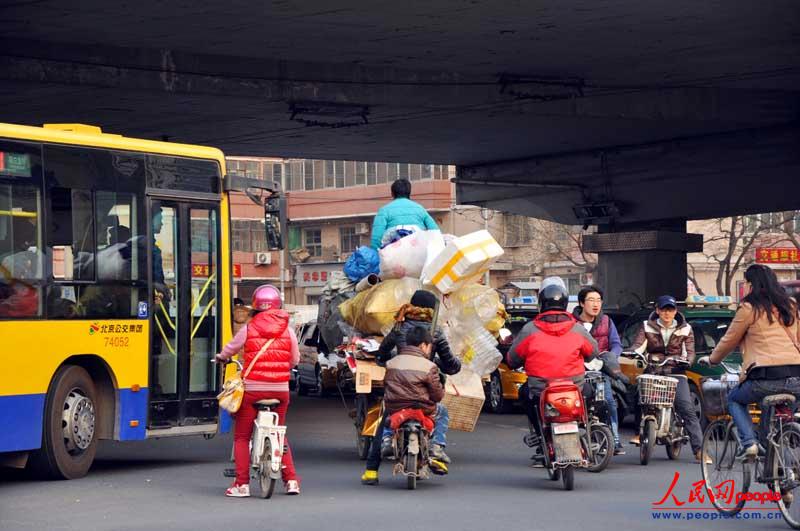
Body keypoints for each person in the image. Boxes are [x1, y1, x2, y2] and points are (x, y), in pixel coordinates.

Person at [699, 264, 800, 461]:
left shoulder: (749, 307)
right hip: (797, 377)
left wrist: (712, 359)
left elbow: (729, 339)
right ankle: (782, 474)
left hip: (765, 377)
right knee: (775, 420)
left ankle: (749, 444)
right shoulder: (790, 305)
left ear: (751, 284)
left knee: (734, 399)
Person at [215, 284, 301, 497]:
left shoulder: (249, 327)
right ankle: (291, 482)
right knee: (280, 433)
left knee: (242, 437)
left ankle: (242, 485)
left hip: (253, 389)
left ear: (255, 306)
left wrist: (221, 357)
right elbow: (295, 360)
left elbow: (231, 348)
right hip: (281, 391)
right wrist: (281, 369)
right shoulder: (288, 330)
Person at [506, 280, 598, 465]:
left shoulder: (529, 329)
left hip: (541, 390)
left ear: (541, 304)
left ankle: (540, 436)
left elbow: (513, 358)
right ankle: (586, 426)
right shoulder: (577, 329)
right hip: (575, 389)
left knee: (525, 394)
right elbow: (593, 352)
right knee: (591, 392)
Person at [377, 289, 460, 463]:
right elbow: (449, 363)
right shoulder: (435, 331)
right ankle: (437, 446)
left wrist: (387, 359)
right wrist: (452, 366)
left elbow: (383, 350)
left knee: (388, 407)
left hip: (398, 386)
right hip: (425, 386)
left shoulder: (399, 327)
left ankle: (385, 439)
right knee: (441, 411)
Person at [361, 326, 446, 485]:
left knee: (384, 420)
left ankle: (374, 466)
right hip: (422, 408)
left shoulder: (392, 363)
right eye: (429, 346)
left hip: (395, 408)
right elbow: (437, 395)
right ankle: (437, 447)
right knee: (443, 412)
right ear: (423, 345)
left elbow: (387, 384)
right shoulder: (429, 366)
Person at [629, 295, 705, 461]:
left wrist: (686, 361)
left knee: (686, 408)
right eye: (663, 309)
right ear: (657, 310)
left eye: (670, 309)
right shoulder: (647, 326)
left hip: (676, 372)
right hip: (653, 370)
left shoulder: (685, 329)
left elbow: (690, 352)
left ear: (675, 311)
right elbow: (639, 345)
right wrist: (632, 352)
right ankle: (638, 433)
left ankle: (699, 450)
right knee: (639, 397)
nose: (667, 313)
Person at [573, 285, 625, 455]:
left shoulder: (606, 321)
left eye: (598, 300)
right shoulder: (572, 323)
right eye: (591, 300)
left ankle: (615, 439)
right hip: (578, 371)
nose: (595, 304)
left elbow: (616, 344)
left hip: (601, 371)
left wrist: (611, 357)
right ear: (581, 303)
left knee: (608, 402)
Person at [370, 178, 439, 249]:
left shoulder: (384, 210)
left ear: (392, 193)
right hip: (418, 253)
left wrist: (377, 255)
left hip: (393, 256)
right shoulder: (420, 209)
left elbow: (376, 239)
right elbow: (435, 231)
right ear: (409, 193)